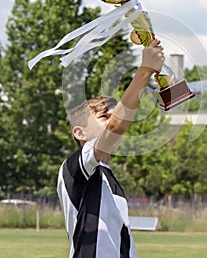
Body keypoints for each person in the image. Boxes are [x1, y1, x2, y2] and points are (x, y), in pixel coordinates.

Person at [57, 39, 165, 258]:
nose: (112, 120)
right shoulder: (75, 169)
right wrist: (145, 70)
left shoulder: (107, 176)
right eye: (103, 116)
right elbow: (117, 126)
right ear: (79, 133)